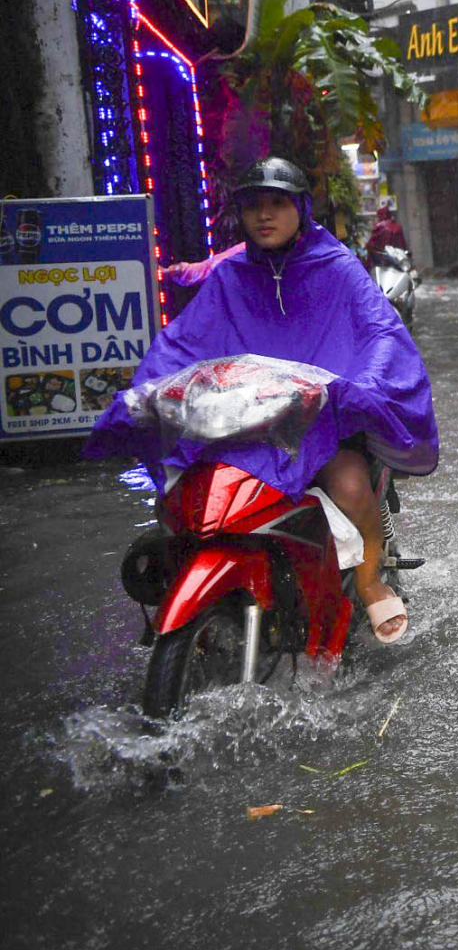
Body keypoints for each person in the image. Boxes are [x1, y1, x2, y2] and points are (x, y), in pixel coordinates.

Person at [86, 158, 439, 643]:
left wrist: (362, 383)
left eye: (277, 204)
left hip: (319, 420)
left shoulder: (336, 266)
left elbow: (380, 331)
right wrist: (145, 393)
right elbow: (181, 344)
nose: (264, 216)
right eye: (254, 206)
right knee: (179, 497)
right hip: (243, 425)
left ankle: (371, 580)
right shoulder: (229, 274)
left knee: (352, 484)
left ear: (301, 209)